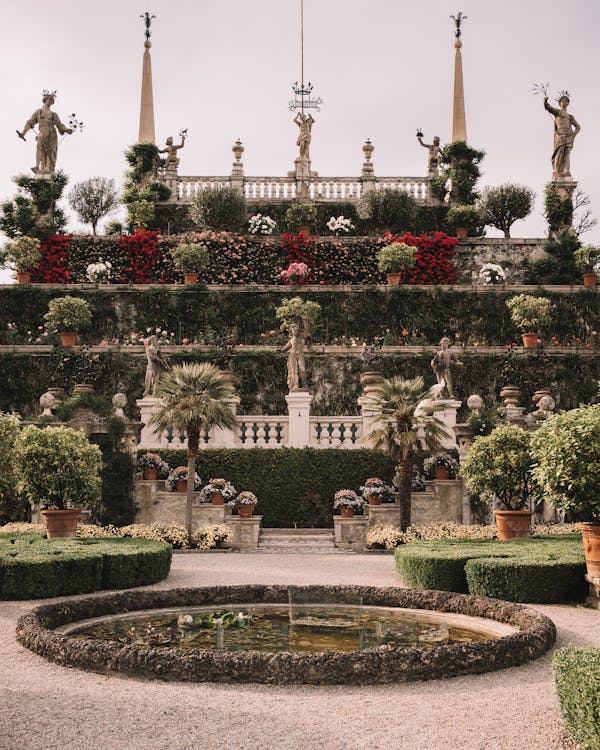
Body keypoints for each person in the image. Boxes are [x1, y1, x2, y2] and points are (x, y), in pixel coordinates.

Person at [17, 92, 72, 175]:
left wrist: (66, 130)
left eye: (52, 100)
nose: (50, 101)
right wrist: (23, 133)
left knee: (51, 150)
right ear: (44, 100)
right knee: (39, 147)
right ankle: (37, 166)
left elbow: (59, 125)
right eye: (48, 99)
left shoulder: (54, 114)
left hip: (52, 133)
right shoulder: (39, 111)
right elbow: (30, 122)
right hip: (43, 131)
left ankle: (47, 168)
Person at [543, 93, 580, 181]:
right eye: (563, 101)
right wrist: (545, 102)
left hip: (569, 135)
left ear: (568, 103)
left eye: (566, 101)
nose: (564, 102)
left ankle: (566, 171)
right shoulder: (558, 112)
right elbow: (549, 108)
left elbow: (578, 126)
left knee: (567, 153)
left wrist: (573, 135)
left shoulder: (570, 116)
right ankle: (556, 171)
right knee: (559, 151)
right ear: (560, 103)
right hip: (560, 134)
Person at [279, 323, 306, 391]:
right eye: (293, 331)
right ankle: (296, 385)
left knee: (302, 370)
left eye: (296, 330)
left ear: (298, 331)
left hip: (300, 355)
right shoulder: (291, 340)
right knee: (294, 371)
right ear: (291, 332)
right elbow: (285, 348)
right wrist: (280, 350)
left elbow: (307, 330)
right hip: (293, 355)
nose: (294, 332)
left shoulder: (303, 339)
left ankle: (304, 384)